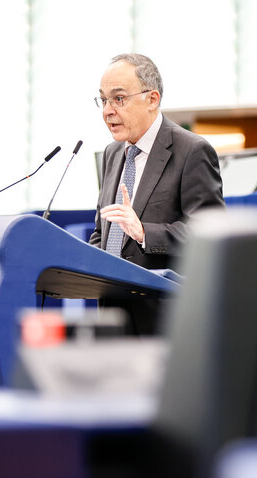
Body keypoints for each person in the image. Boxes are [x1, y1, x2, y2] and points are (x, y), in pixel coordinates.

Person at [89, 53, 225, 334]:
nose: (107, 110)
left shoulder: (192, 151)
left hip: (164, 322)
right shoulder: (112, 154)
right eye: (103, 100)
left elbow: (210, 235)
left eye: (119, 98)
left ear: (152, 99)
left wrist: (143, 233)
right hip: (112, 318)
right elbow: (104, 232)